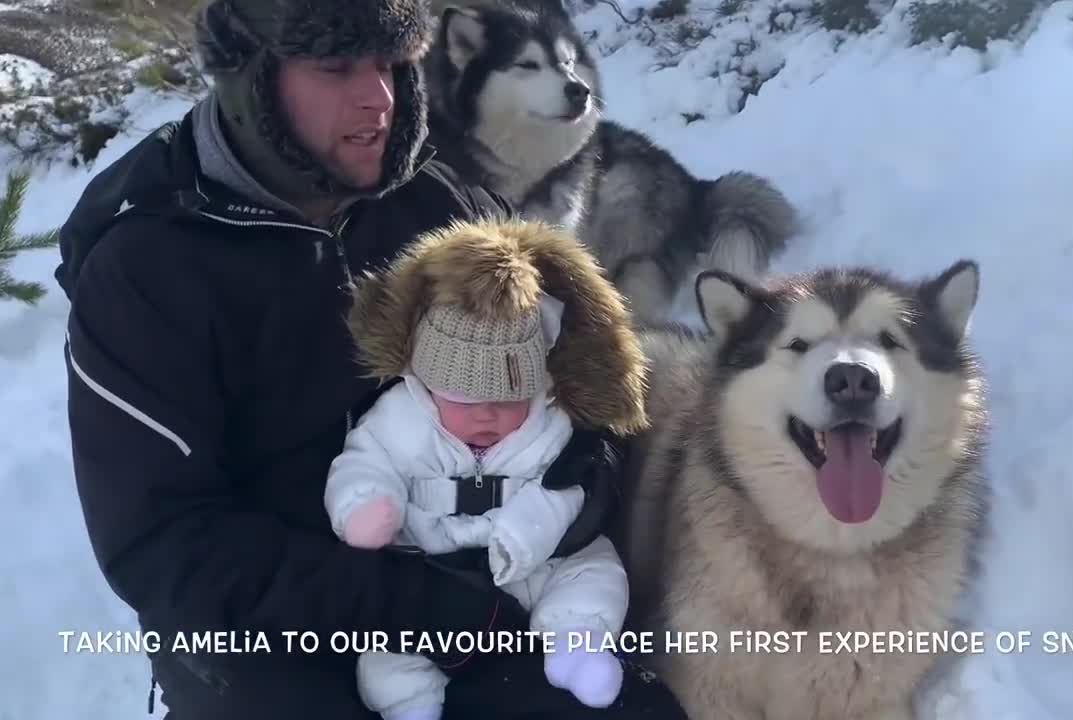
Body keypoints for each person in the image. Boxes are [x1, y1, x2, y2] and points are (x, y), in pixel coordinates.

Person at [52, 0, 688, 718]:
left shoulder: (432, 196)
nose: (378, 97)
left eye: (389, 64)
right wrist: (413, 608)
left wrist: (585, 468)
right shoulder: (149, 262)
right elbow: (161, 543)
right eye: (335, 67)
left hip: (476, 566)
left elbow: (569, 359)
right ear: (249, 79)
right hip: (274, 628)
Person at [324, 218, 646, 720]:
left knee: (594, 574)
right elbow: (363, 462)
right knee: (389, 646)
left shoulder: (550, 421)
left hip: (534, 563)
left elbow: (566, 487)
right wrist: (367, 503)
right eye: (463, 400)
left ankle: (576, 651)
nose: (486, 415)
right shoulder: (400, 420)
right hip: (431, 576)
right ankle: (411, 706)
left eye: (505, 399)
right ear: (425, 383)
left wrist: (525, 535)